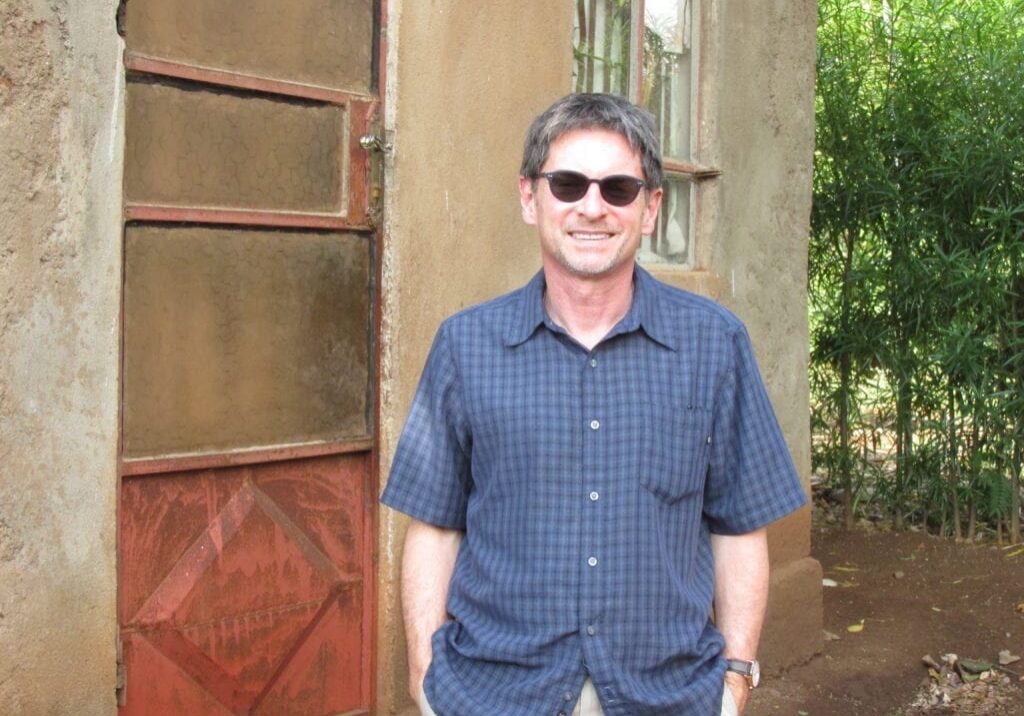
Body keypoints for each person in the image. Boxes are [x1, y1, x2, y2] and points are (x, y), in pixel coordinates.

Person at [381, 92, 807, 716]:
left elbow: (740, 526)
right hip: (494, 696)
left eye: (618, 189)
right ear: (530, 197)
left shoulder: (715, 344)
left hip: (666, 696)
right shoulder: (466, 345)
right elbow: (435, 525)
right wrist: (426, 675)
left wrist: (735, 681)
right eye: (568, 183)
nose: (592, 207)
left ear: (651, 207)